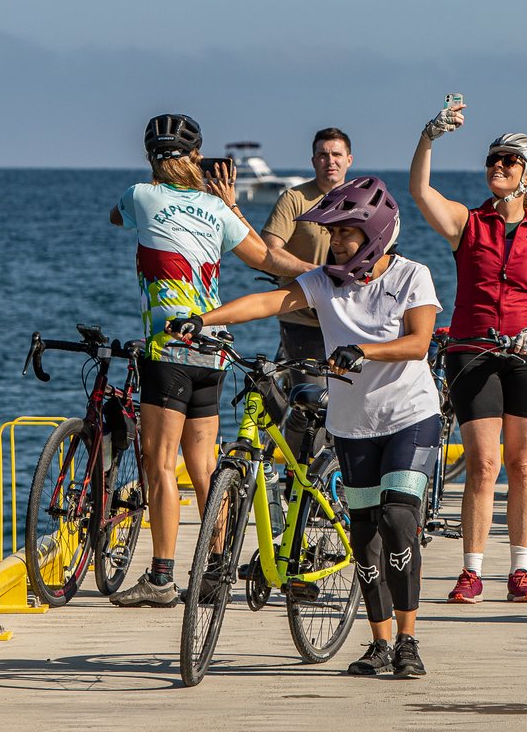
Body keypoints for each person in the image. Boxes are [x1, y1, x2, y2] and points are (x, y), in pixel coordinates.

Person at [183, 177, 437, 679]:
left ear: (375, 234)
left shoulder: (412, 276)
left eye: (344, 234)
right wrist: (203, 320)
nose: (334, 244)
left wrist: (363, 352)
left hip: (409, 415)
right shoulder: (323, 281)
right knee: (363, 533)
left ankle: (409, 640)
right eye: (333, 235)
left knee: (398, 522)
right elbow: (268, 304)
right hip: (352, 423)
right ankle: (380, 642)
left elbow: (419, 343)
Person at [107, 113, 313, 607]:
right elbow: (265, 257)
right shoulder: (217, 210)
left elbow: (117, 218)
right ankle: (217, 569)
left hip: (168, 350)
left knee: (160, 464)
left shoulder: (140, 196)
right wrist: (317, 273)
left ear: (151, 158)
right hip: (214, 349)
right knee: (203, 465)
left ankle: (160, 578)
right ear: (196, 158)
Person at [409, 100, 527, 605]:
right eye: (492, 159)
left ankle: (521, 569)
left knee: (523, 464)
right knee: (482, 463)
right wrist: (428, 137)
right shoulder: (466, 223)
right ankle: (471, 570)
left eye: (508, 161)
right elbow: (419, 191)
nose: (496, 167)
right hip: (472, 350)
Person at [259, 128, 355, 367]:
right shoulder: (294, 199)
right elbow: (268, 251)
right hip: (302, 318)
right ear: (313, 161)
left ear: (349, 160)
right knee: (309, 396)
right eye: (323, 155)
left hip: (350, 316)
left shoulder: (360, 200)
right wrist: (315, 273)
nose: (330, 161)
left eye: (336, 154)